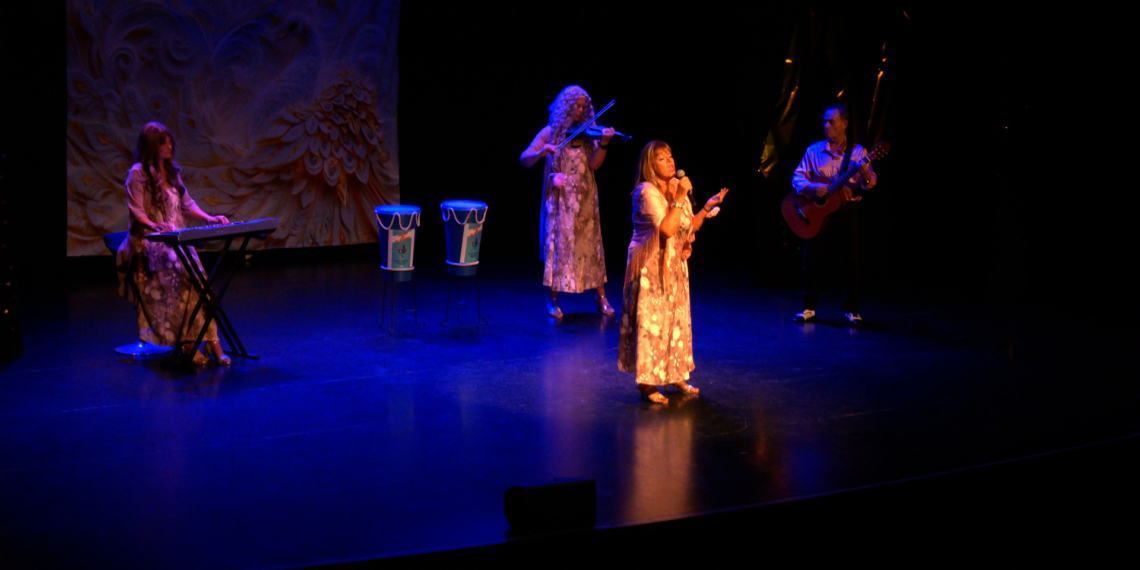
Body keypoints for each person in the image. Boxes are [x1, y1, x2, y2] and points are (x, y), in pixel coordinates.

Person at [618, 140, 728, 404]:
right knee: (652, 325)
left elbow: (686, 228)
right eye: (662, 158)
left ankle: (675, 373)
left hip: (675, 266)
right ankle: (647, 383)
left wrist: (704, 208)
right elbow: (666, 229)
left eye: (670, 156)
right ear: (650, 166)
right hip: (651, 268)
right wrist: (679, 198)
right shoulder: (646, 193)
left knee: (675, 322)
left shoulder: (674, 189)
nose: (670, 161)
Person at [115, 122, 232, 364]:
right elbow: (136, 210)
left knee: (200, 282)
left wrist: (210, 218)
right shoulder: (138, 173)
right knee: (185, 280)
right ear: (151, 145)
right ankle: (190, 344)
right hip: (153, 242)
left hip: (179, 241)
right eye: (163, 141)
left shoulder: (173, 173)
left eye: (170, 141)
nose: (170, 145)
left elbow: (188, 205)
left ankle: (211, 342)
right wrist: (152, 224)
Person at [520, 85, 616, 318]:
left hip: (585, 199)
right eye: (577, 106)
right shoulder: (550, 132)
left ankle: (600, 296)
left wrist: (603, 144)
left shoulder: (587, 133)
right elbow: (525, 159)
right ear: (566, 107)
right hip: (560, 201)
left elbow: (594, 164)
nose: (581, 111)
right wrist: (542, 152)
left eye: (584, 107)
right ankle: (552, 299)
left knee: (591, 247)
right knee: (559, 249)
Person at [791, 104, 876, 325]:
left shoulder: (859, 153)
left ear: (845, 124)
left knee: (851, 260)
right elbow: (797, 177)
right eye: (824, 121)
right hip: (820, 212)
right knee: (811, 260)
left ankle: (852, 310)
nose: (826, 126)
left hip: (847, 212)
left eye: (831, 121)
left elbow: (870, 184)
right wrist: (810, 188)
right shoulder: (814, 150)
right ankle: (809, 307)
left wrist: (866, 175)